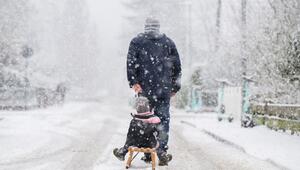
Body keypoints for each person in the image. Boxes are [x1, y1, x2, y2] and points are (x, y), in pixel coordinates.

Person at [126, 17, 182, 166]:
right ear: (159, 27)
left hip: (144, 90)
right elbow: (177, 66)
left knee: (144, 121)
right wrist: (174, 87)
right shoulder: (168, 43)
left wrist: (134, 82)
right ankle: (161, 150)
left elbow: (130, 63)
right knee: (162, 120)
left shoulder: (137, 42)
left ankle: (148, 152)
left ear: (145, 27)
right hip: (163, 90)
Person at [113, 96, 161, 162]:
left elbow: (129, 136)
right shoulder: (155, 120)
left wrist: (128, 144)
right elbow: (158, 134)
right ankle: (152, 156)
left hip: (136, 143)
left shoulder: (134, 121)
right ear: (149, 107)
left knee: (130, 138)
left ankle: (122, 152)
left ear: (137, 108)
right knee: (154, 139)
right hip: (150, 145)